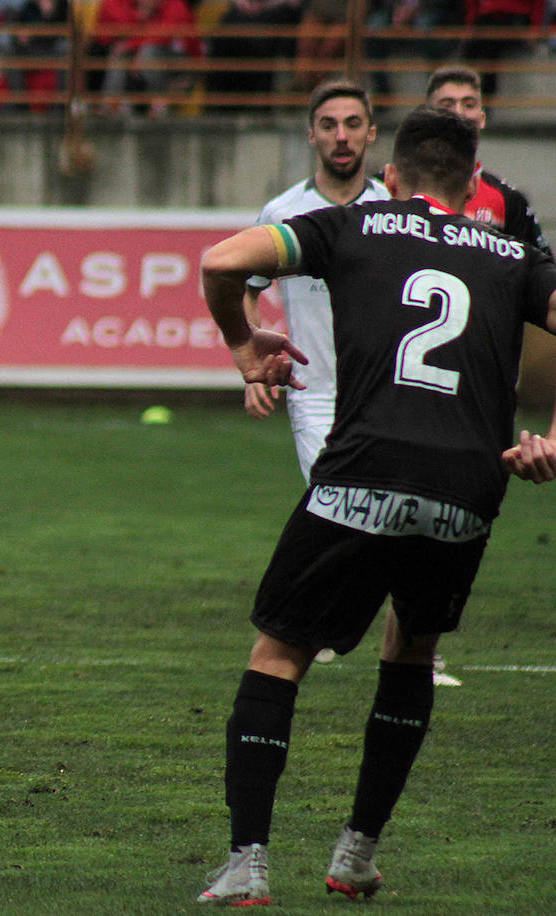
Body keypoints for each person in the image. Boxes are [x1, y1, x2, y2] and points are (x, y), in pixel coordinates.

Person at [195, 105, 556, 906]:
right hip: (469, 490)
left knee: (279, 654)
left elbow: (223, 261)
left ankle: (248, 863)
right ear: (472, 189)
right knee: (412, 648)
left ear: (390, 178)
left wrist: (242, 346)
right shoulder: (509, 252)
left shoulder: (352, 225)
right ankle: (356, 852)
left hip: (364, 472)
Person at [241, 78, 388, 667]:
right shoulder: (282, 213)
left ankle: (404, 646)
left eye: (353, 123)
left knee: (396, 515)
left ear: (371, 133)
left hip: (385, 391)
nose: (342, 135)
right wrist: (253, 362)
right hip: (318, 394)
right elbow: (246, 289)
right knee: (338, 508)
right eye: (329, 124)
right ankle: (321, 625)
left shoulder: (394, 210)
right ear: (311, 135)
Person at [424, 64, 549, 253]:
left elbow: (539, 273)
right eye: (447, 105)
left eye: (469, 105)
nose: (459, 113)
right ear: (426, 117)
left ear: (482, 119)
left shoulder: (509, 200)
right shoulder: (391, 186)